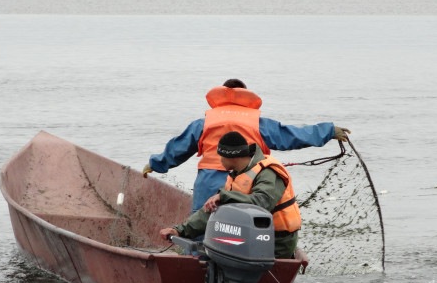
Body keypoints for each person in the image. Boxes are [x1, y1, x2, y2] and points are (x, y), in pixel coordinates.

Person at [143, 78, 350, 212]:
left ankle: (197, 263)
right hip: (247, 182)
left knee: (201, 226)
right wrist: (329, 131)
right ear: (245, 96)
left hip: (208, 181)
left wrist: (155, 164)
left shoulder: (205, 122)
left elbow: (178, 149)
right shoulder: (257, 122)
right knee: (247, 221)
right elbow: (291, 135)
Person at [160, 131, 301, 259]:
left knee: (219, 256)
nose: (220, 161)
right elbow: (212, 210)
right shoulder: (236, 176)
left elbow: (263, 203)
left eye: (221, 157)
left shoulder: (268, 172)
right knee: (213, 249)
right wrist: (180, 230)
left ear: (232, 157)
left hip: (277, 242)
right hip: (250, 238)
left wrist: (224, 196)